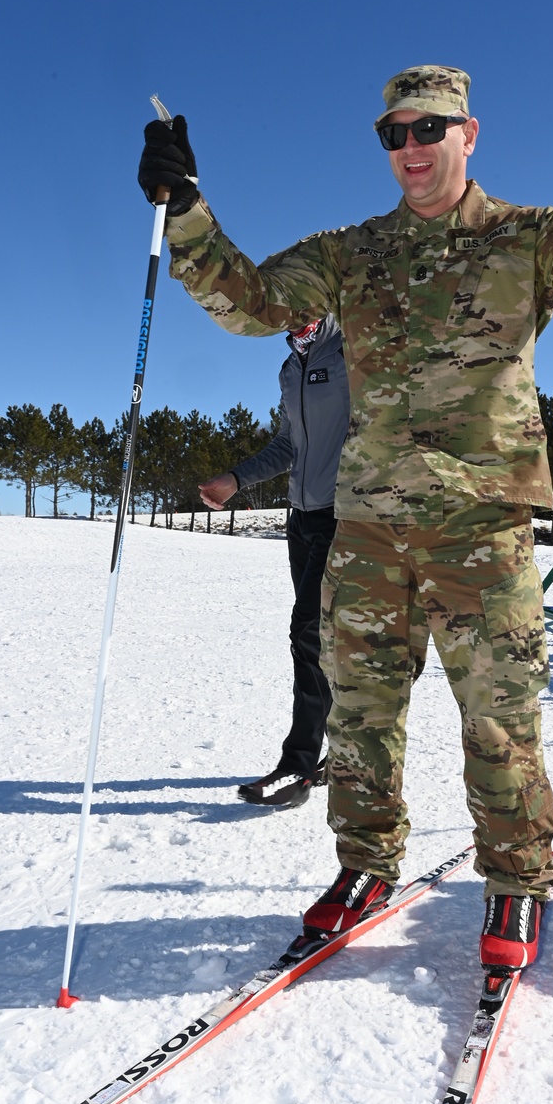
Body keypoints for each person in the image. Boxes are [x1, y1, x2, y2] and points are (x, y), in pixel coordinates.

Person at [138, 29, 553, 970]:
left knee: (499, 714)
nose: (411, 146)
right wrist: (187, 211)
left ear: (468, 132)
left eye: (429, 128)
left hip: (480, 527)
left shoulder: (526, 235)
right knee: (360, 712)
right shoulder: (351, 252)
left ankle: (517, 878)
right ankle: (365, 863)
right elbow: (251, 303)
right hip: (370, 525)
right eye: (394, 132)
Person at [198, 313, 349, 808]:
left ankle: (301, 762)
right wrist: (236, 478)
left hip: (343, 515)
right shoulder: (291, 367)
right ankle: (336, 752)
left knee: (310, 631)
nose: (294, 316)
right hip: (301, 518)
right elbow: (289, 443)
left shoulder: (350, 351)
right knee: (321, 641)